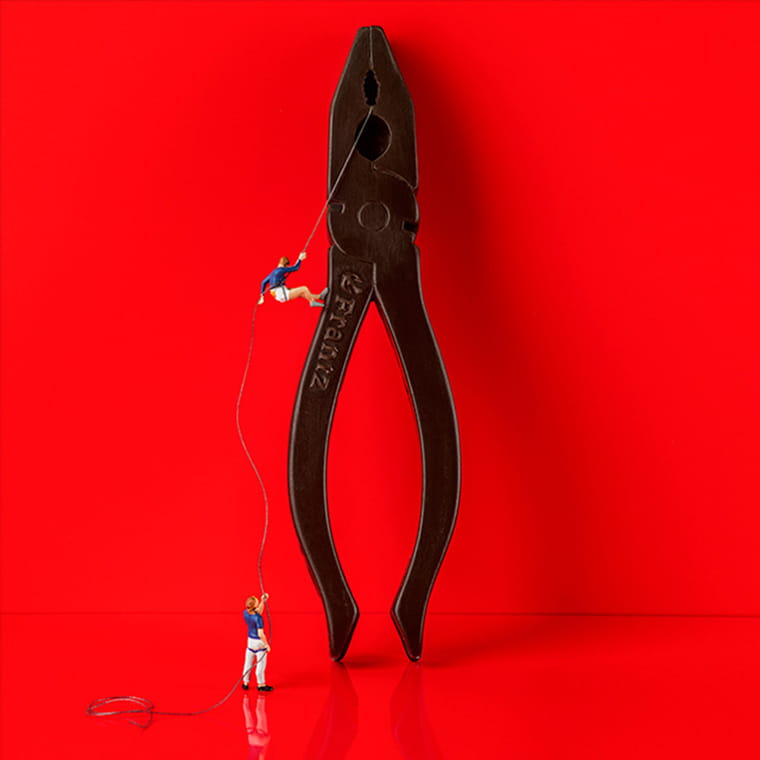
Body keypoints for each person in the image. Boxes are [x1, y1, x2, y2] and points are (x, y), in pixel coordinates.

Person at [258, 252, 325, 307]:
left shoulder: (273, 272)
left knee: (302, 293)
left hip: (278, 293)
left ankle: (319, 296)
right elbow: (296, 268)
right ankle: (312, 301)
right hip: (281, 293)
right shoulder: (281, 270)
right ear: (286, 265)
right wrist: (300, 259)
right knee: (304, 288)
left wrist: (262, 297)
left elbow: (263, 282)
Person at [242, 593, 273, 692]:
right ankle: (261, 685)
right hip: (259, 643)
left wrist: (262, 601)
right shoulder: (258, 618)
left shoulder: (245, 612)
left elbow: (258, 611)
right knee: (260, 666)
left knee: (248, 664)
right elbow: (260, 633)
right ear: (254, 605)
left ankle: (245, 683)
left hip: (250, 642)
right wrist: (266, 644)